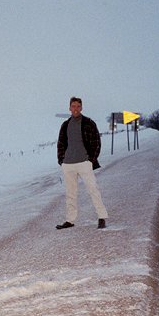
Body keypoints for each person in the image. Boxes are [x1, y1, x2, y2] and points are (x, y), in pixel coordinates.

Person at [56, 97, 108, 229]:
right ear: (69, 108)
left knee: (93, 189)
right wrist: (61, 160)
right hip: (68, 164)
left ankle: (102, 217)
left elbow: (97, 141)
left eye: (78, 106)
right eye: (73, 106)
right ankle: (70, 220)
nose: (75, 109)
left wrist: (91, 160)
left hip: (84, 163)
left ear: (81, 108)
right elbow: (61, 143)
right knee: (70, 193)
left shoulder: (88, 123)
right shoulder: (65, 125)